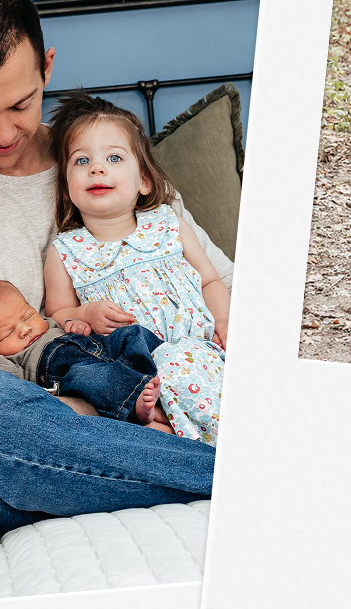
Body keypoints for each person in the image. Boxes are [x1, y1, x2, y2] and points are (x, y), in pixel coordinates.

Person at [0, 0, 224, 533]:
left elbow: (216, 281)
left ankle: (209, 466)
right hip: (45, 437)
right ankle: (240, 472)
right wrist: (104, 400)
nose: (5, 131)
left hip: (189, 393)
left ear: (47, 69)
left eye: (21, 104)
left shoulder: (106, 156)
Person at [43, 93, 230, 442]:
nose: (97, 168)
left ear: (144, 180)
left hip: (196, 347)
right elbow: (57, 310)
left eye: (114, 158)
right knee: (115, 385)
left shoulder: (167, 223)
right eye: (81, 161)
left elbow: (210, 280)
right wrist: (86, 312)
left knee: (190, 369)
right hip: (133, 366)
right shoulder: (66, 250)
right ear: (68, 189)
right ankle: (158, 422)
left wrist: (225, 321)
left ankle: (202, 437)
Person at [0, 277, 169, 429]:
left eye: (28, 316)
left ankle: (169, 363)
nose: (25, 329)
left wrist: (77, 325)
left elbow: (71, 326)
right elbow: (8, 378)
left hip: (94, 346)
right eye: (8, 333)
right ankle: (137, 406)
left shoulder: (48, 325)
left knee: (131, 334)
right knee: (93, 378)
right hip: (62, 373)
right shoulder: (6, 360)